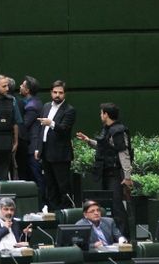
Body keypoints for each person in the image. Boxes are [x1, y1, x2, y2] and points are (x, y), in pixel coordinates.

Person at [76, 102, 133, 239]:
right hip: (106, 174)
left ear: (106, 114)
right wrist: (88, 140)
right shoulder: (108, 129)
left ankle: (124, 238)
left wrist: (127, 177)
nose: (100, 115)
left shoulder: (118, 130)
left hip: (115, 175)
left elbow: (123, 154)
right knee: (110, 207)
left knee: (117, 207)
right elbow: (105, 147)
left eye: (101, 113)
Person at [35, 80, 75, 211]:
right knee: (50, 185)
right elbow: (41, 131)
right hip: (46, 152)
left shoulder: (69, 110)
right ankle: (53, 213)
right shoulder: (46, 106)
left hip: (61, 154)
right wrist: (38, 148)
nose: (57, 95)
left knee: (62, 186)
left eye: (60, 93)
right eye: (55, 92)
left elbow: (64, 129)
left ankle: (65, 213)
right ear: (51, 92)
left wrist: (51, 123)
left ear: (65, 94)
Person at [16, 76, 44, 192]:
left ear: (27, 90)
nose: (20, 87)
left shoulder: (31, 106)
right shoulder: (35, 102)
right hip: (31, 146)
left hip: (32, 147)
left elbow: (23, 125)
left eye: (22, 85)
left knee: (36, 178)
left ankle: (42, 204)